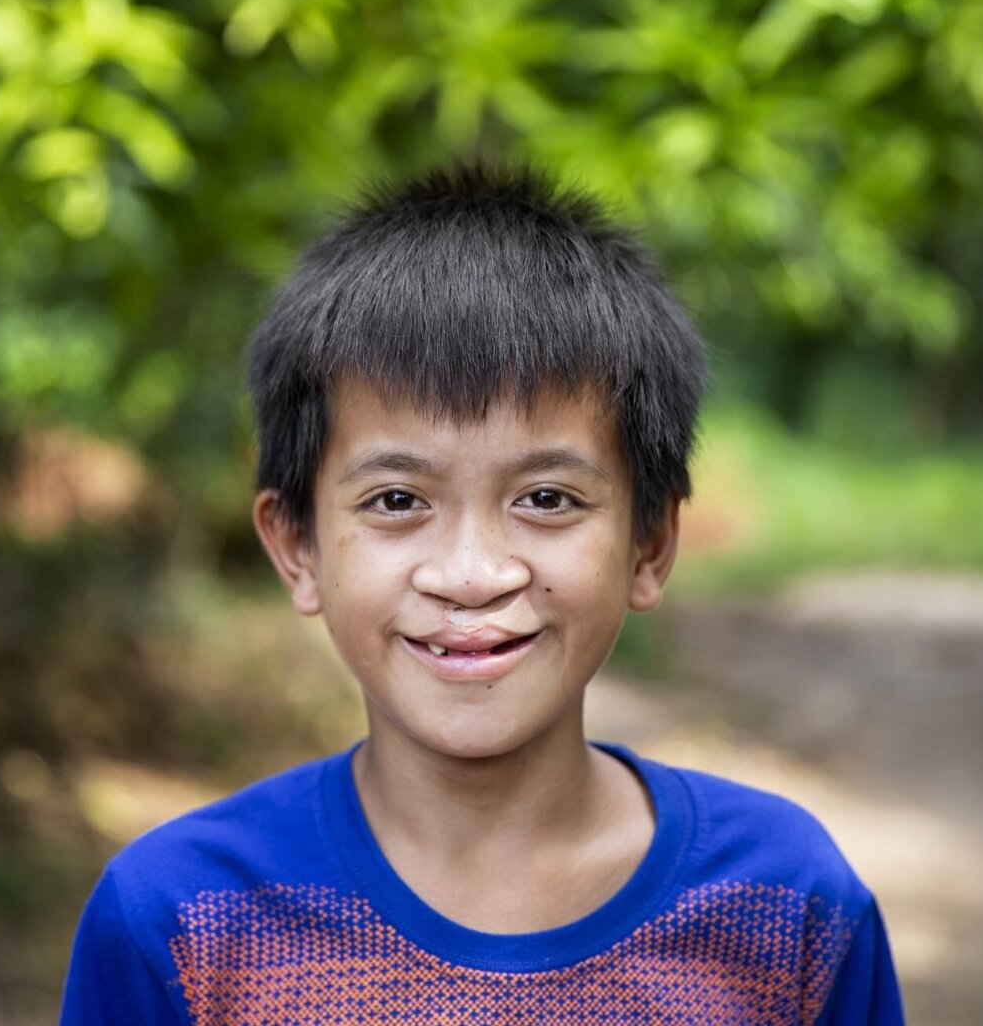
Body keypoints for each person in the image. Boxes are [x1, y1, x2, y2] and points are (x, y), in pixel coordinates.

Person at [59, 160, 906, 1024]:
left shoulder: (783, 905)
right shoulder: (182, 924)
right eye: (397, 501)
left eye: (546, 499)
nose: (470, 574)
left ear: (649, 544)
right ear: (298, 547)